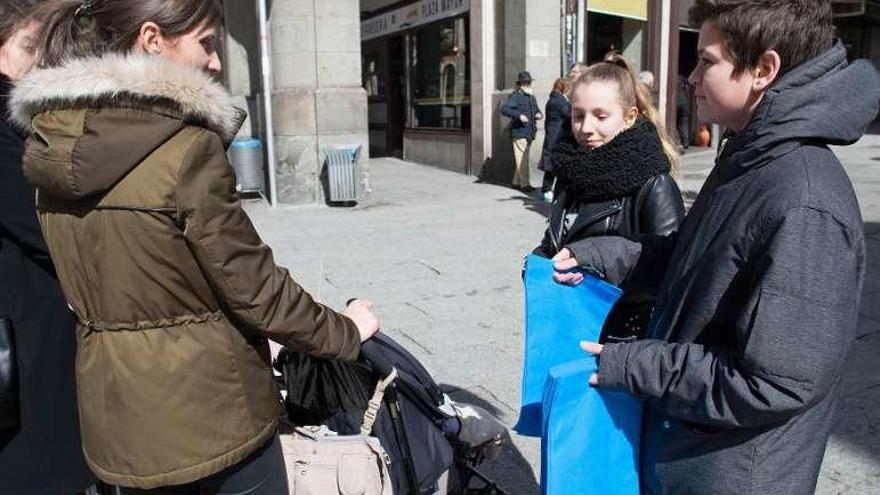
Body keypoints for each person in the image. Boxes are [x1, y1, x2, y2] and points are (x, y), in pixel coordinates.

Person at [11, 0, 381, 493]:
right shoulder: (183, 150)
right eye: (206, 43)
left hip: (117, 427)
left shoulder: (48, 147)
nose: (216, 61)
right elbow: (256, 288)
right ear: (151, 40)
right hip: (216, 423)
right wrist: (346, 333)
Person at [553, 1, 880, 493]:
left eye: (706, 61)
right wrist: (601, 255)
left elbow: (773, 383)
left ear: (763, 71)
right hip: (689, 454)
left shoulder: (804, 201)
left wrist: (635, 364)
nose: (691, 76)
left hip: (731, 473)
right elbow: (691, 259)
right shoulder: (751, 155)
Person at [0, 2, 96, 493]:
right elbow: (45, 228)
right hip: (23, 338)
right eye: (28, 46)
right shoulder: (9, 125)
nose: (40, 60)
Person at [535, 53, 684, 343]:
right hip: (570, 323)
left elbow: (670, 265)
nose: (586, 128)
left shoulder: (653, 182)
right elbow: (553, 241)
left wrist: (594, 267)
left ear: (629, 118)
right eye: (578, 116)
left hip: (623, 337)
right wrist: (539, 266)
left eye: (601, 116)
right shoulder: (572, 171)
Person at [501, 70, 543, 192]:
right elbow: (504, 109)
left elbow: (536, 109)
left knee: (521, 158)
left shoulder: (531, 97)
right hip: (519, 132)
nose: (527, 85)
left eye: (528, 83)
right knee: (522, 160)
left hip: (530, 132)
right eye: (525, 83)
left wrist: (538, 114)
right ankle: (525, 184)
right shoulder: (515, 96)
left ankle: (516, 182)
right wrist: (519, 115)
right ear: (519, 85)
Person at [538, 77, 571, 202]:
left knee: (552, 163)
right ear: (562, 88)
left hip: (554, 134)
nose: (569, 91)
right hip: (556, 136)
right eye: (567, 88)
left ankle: (547, 189)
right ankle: (546, 190)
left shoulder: (554, 99)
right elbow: (569, 112)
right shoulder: (559, 101)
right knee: (551, 164)